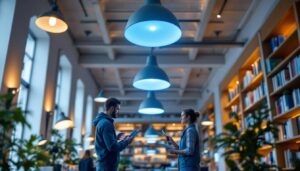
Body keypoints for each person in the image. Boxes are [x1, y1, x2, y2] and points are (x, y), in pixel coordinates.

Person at [93, 98, 134, 171]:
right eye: (117, 109)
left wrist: (117, 136)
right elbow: (112, 147)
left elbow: (107, 142)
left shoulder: (104, 122)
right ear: (112, 108)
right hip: (107, 167)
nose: (118, 112)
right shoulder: (106, 124)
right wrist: (127, 142)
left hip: (105, 166)